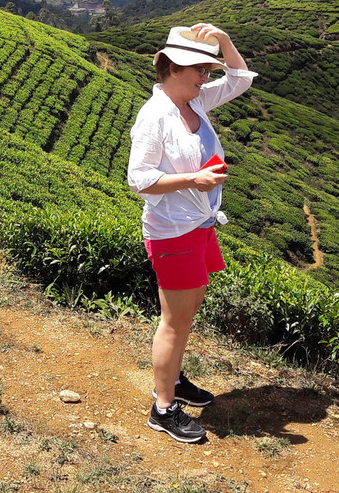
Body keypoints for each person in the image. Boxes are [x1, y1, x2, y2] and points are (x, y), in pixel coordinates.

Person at [127, 23, 256, 443]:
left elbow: (240, 79)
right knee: (174, 321)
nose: (206, 76)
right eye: (200, 68)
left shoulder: (194, 101)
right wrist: (193, 180)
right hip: (173, 232)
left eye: (207, 68)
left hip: (198, 225)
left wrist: (225, 39)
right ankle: (163, 408)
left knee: (189, 309)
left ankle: (174, 379)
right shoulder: (155, 117)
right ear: (175, 67)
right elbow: (139, 180)